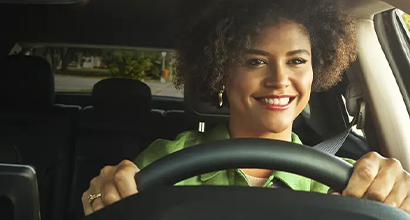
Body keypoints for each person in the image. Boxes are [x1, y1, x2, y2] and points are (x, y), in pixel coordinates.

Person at [82, 0, 410, 215]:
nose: (279, 79)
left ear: (316, 70)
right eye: (255, 61)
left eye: (296, 60)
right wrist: (102, 201)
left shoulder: (347, 181)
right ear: (220, 71)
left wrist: (396, 195)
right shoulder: (164, 161)